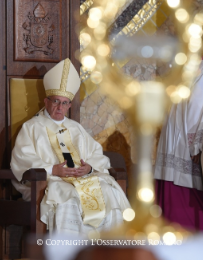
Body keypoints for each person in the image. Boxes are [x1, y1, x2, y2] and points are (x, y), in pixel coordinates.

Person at [10, 58, 130, 235]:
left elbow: (96, 155)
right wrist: (52, 170)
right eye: (56, 101)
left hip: (82, 180)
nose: (59, 107)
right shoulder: (32, 127)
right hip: (48, 182)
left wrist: (89, 169)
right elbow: (22, 159)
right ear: (46, 101)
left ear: (69, 105)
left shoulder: (76, 128)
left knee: (108, 190)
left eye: (64, 102)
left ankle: (106, 250)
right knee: (67, 195)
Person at [154, 60, 203, 231]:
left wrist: (196, 144)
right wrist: (196, 145)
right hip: (182, 141)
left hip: (180, 141)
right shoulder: (196, 67)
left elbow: (195, 105)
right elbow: (195, 106)